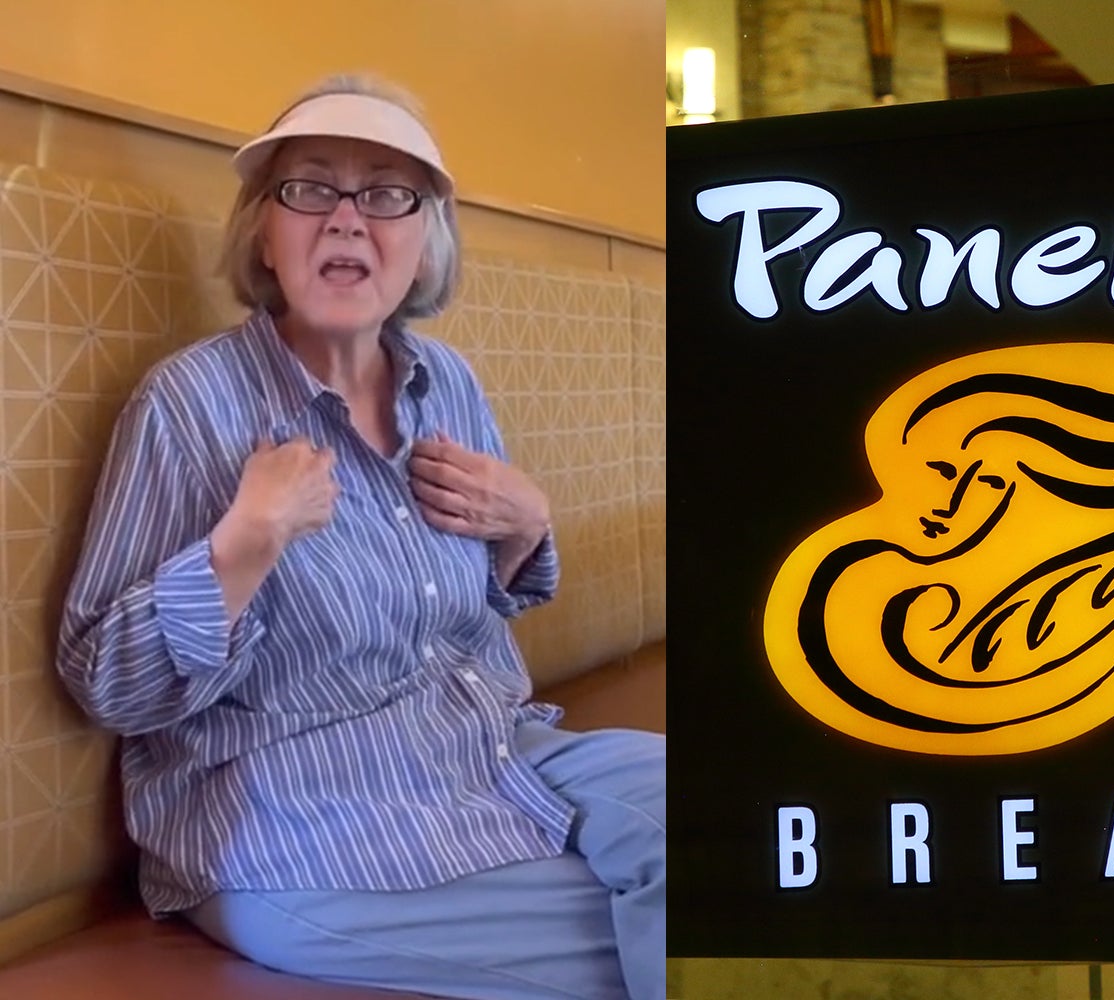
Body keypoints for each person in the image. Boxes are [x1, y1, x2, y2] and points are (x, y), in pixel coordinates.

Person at [54, 76, 663, 1000]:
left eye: (386, 193)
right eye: (308, 189)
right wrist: (242, 546)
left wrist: (525, 527)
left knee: (748, 823)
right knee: (702, 924)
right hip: (300, 829)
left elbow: (478, 609)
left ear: (425, 242)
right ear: (263, 227)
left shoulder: (446, 383)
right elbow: (107, 681)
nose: (346, 219)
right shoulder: (190, 404)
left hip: (488, 748)